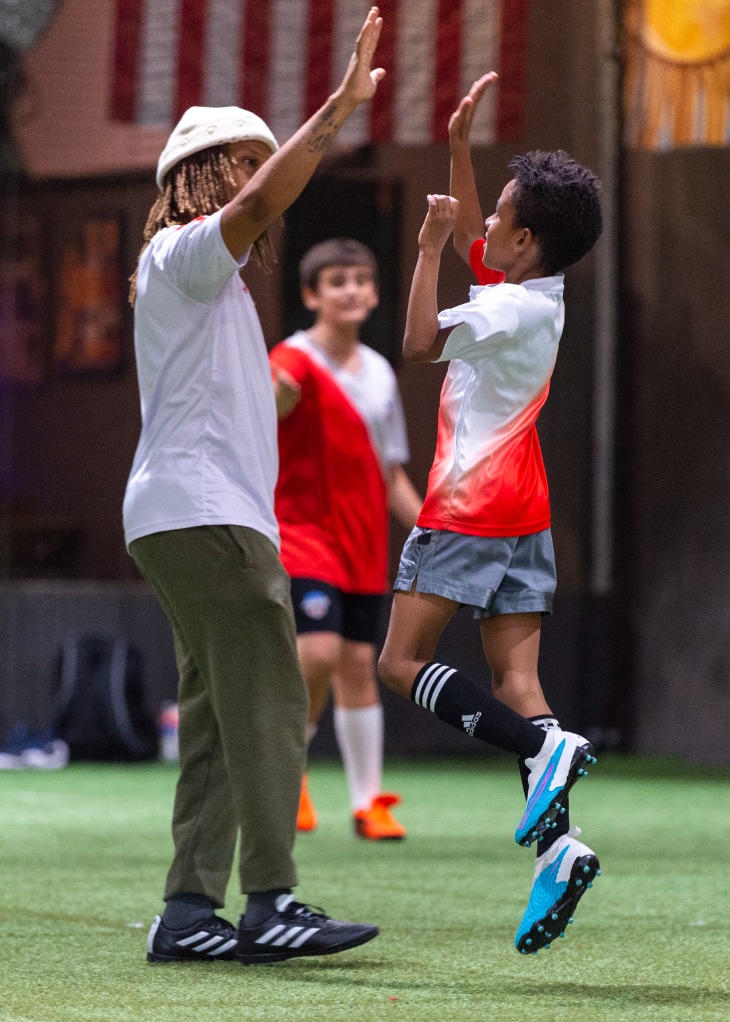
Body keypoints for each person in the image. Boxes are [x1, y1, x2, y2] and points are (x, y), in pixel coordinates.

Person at [123, 8, 386, 966]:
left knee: (218, 718)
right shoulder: (186, 255)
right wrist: (340, 107)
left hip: (180, 515)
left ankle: (191, 913)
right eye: (242, 160)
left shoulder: (202, 280)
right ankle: (271, 899)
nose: (256, 174)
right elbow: (263, 203)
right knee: (274, 699)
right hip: (207, 516)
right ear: (200, 175)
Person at [377, 73, 604, 955]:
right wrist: (462, 151)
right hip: (527, 507)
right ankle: (559, 850)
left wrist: (427, 243)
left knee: (401, 662)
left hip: (469, 501)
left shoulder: (504, 307)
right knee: (520, 682)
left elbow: (417, 341)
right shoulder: (536, 293)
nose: (484, 222)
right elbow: (486, 244)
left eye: (499, 211)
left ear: (527, 236)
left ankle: (538, 750)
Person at [270, 238, 422, 840]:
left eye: (361, 279)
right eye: (336, 280)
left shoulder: (382, 374)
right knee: (318, 652)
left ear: (376, 292)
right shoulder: (289, 360)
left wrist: (438, 531)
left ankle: (369, 804)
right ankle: (291, 776)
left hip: (364, 544)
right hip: (301, 535)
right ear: (311, 295)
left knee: (361, 665)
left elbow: (392, 476)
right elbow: (261, 408)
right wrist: (272, 400)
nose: (351, 289)